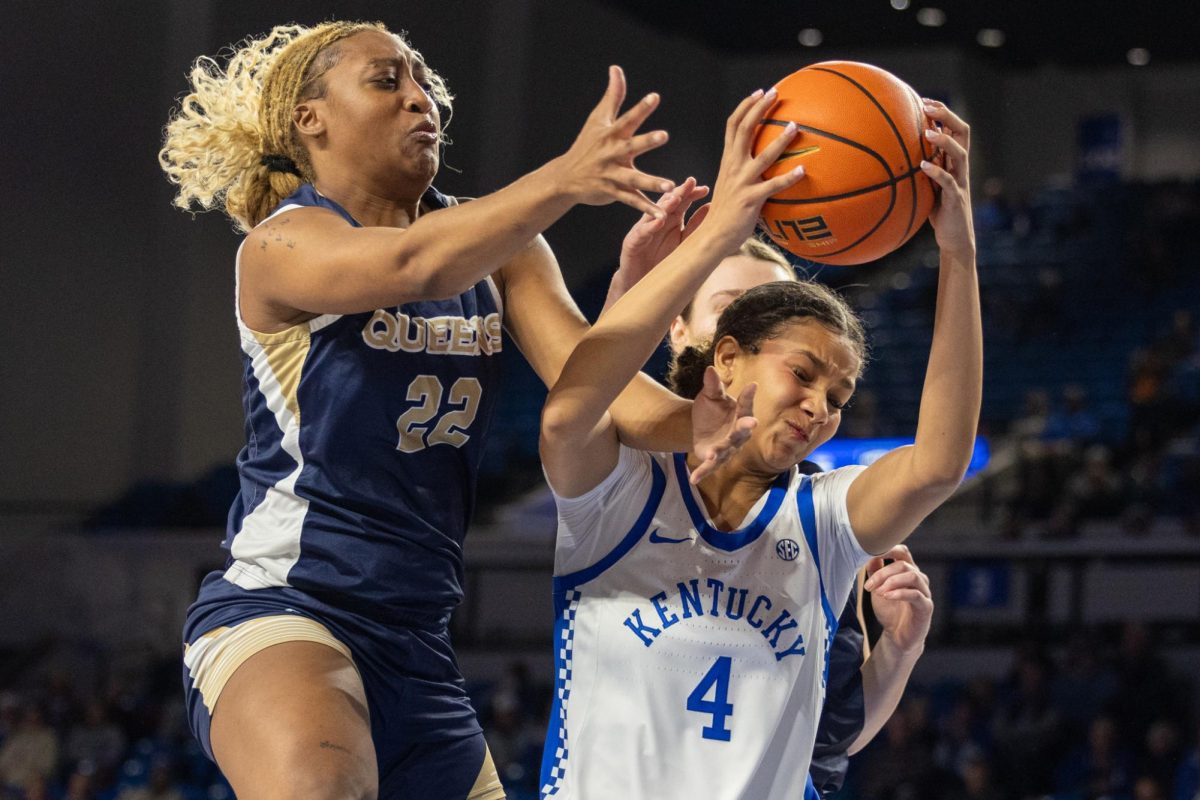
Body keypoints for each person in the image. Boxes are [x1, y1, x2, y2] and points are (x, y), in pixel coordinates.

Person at [160, 20, 742, 800]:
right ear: (311, 119)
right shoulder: (281, 245)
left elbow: (589, 384)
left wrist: (710, 423)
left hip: (419, 637)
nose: (419, 98)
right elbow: (416, 262)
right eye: (386, 80)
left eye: (423, 82)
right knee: (322, 786)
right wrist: (564, 179)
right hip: (288, 608)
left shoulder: (507, 253)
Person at [537, 91, 978, 798]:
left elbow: (938, 465)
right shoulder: (621, 488)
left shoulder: (825, 519)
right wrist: (707, 240)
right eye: (801, 375)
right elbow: (569, 412)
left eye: (838, 399)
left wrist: (958, 252)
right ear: (728, 358)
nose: (819, 408)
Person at [608, 217, 934, 795]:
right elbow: (586, 387)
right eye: (737, 305)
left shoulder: (824, 513)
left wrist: (900, 652)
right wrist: (628, 287)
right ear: (681, 332)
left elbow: (832, 734)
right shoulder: (622, 475)